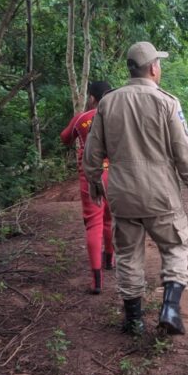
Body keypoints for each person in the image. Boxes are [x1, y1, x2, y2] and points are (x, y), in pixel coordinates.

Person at [83, 41, 188, 335]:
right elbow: (183, 150)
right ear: (152, 67)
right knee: (175, 247)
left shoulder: (108, 102)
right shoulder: (167, 102)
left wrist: (95, 181)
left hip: (122, 194)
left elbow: (92, 151)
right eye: (158, 63)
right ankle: (170, 309)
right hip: (161, 194)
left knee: (128, 255)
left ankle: (133, 319)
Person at [60, 81, 115, 294]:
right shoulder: (118, 116)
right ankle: (110, 260)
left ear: (92, 97)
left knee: (94, 224)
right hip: (115, 174)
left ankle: (96, 280)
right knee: (110, 219)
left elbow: (65, 138)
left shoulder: (83, 118)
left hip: (90, 176)